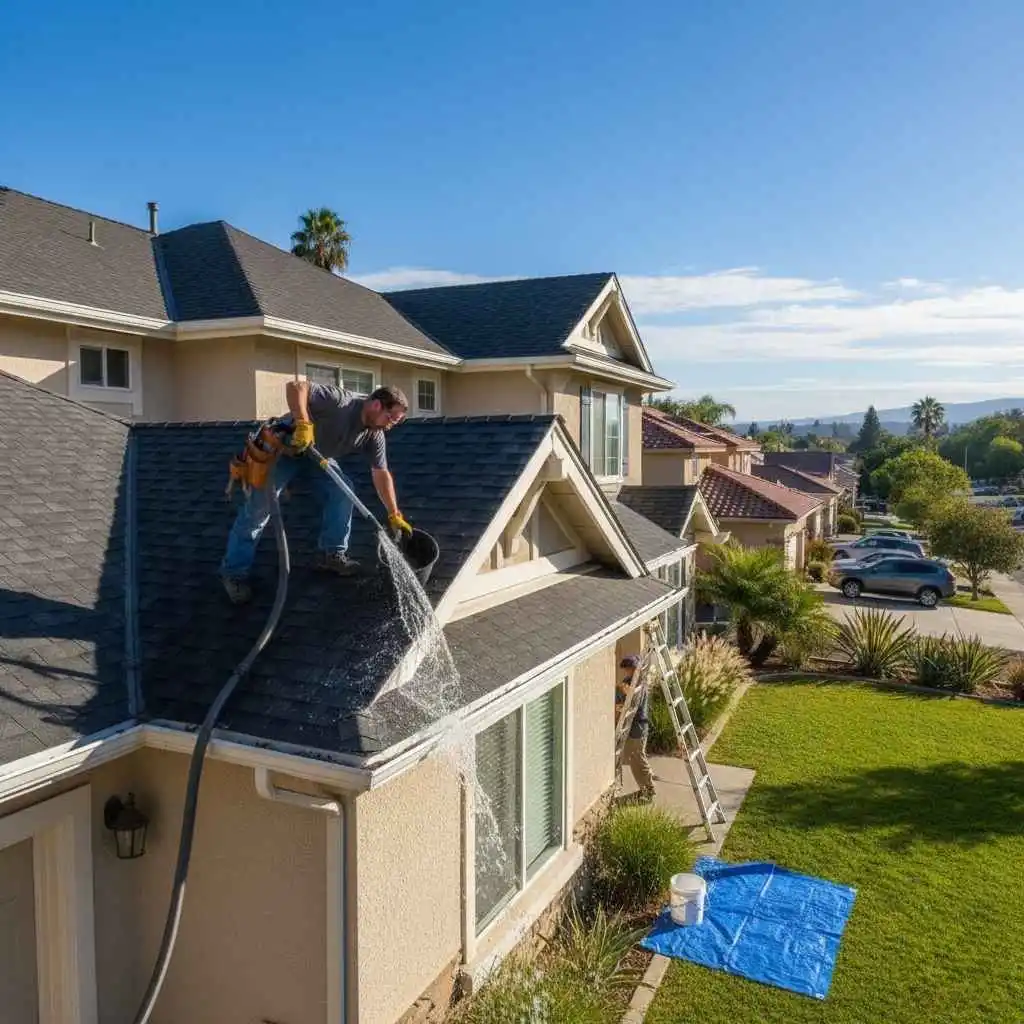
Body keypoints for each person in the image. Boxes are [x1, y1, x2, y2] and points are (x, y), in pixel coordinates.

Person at [219, 380, 413, 604]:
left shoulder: (374, 435)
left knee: (343, 490)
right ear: (377, 405)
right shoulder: (341, 402)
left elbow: (381, 472)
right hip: (285, 450)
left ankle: (332, 554)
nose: (390, 426)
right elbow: (295, 386)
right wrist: (303, 423)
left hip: (317, 457)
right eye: (390, 419)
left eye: (395, 423)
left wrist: (394, 513)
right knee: (259, 510)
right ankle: (233, 573)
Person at [616, 655, 656, 802]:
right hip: (630, 726)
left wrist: (627, 696)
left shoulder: (640, 684)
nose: (627, 672)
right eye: (626, 669)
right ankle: (644, 788)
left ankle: (650, 789)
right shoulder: (627, 681)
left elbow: (635, 705)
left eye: (629, 669)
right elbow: (620, 699)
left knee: (638, 758)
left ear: (635, 669)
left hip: (638, 727)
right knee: (633, 760)